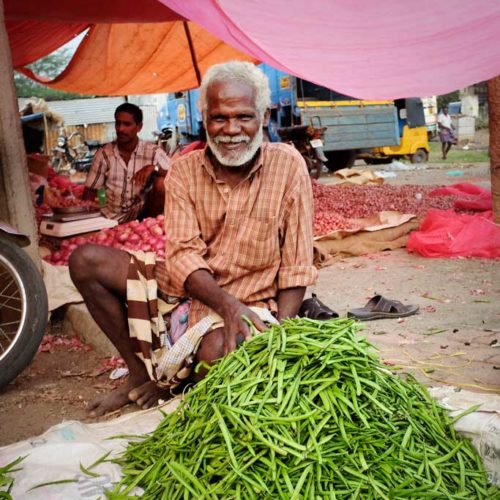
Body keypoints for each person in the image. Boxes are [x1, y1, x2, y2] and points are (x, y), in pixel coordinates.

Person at [69, 61, 317, 417]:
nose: (231, 129)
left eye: (244, 117)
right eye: (219, 118)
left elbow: (296, 263)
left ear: (262, 117)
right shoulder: (184, 170)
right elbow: (184, 255)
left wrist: (280, 336)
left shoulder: (288, 164)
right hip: (189, 288)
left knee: (216, 359)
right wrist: (226, 306)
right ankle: (139, 376)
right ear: (204, 118)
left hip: (255, 298)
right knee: (85, 261)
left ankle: (175, 374)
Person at [83, 103, 171, 222]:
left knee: (161, 183)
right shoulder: (104, 154)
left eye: (127, 124)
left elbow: (177, 176)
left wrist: (154, 168)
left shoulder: (154, 152)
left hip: (144, 217)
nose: (120, 129)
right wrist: (85, 221)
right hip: (111, 219)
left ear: (139, 127)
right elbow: (90, 190)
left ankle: (148, 227)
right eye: (118, 123)